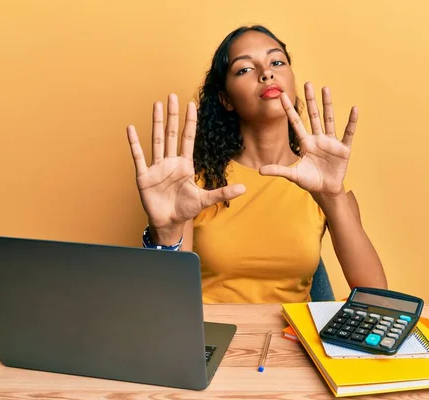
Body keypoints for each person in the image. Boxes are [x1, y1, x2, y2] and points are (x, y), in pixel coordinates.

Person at [126, 25, 388, 304]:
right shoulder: (194, 186)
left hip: (291, 343)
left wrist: (333, 198)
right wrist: (165, 231)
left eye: (277, 62)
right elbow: (168, 307)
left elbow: (379, 300)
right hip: (212, 342)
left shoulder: (325, 183)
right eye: (244, 69)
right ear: (226, 99)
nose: (266, 72)